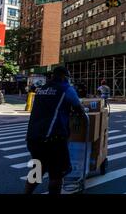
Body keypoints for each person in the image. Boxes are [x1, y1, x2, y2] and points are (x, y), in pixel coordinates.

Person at [24, 66, 84, 195]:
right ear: (64, 77)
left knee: (37, 170)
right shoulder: (66, 89)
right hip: (53, 139)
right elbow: (78, 107)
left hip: (33, 137)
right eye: (67, 77)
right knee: (56, 174)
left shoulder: (42, 89)